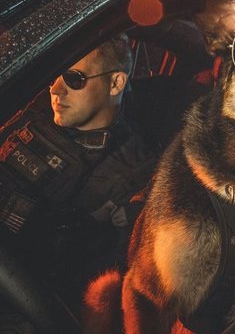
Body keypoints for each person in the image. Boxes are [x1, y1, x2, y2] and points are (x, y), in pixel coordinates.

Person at [0, 34, 155, 309]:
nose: (55, 89)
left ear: (116, 83)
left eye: (74, 79)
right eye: (54, 74)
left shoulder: (130, 173)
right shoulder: (31, 102)